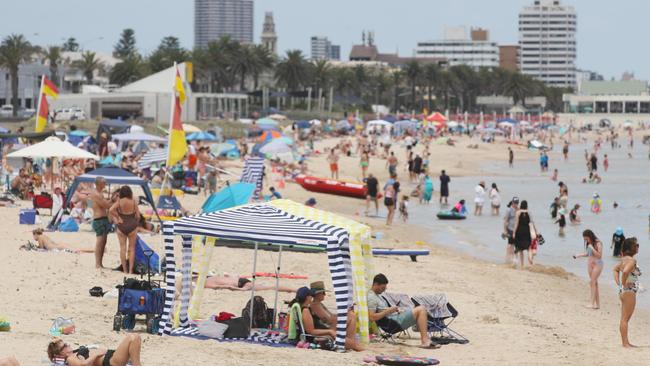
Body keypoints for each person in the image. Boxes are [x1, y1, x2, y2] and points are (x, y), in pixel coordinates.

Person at [367, 274, 435, 348]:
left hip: (393, 319)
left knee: (420, 309)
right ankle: (425, 340)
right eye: (383, 287)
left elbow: (381, 310)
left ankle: (425, 338)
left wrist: (393, 310)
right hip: (391, 324)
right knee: (421, 309)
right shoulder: (372, 298)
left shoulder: (377, 295)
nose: (385, 289)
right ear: (376, 284)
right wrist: (389, 311)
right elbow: (372, 317)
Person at [309, 281, 364, 351]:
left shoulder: (318, 304)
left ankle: (351, 341)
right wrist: (344, 313)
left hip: (329, 329)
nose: (325, 295)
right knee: (351, 315)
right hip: (327, 331)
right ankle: (352, 343)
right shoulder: (315, 305)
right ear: (317, 294)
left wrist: (344, 312)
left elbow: (332, 317)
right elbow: (330, 320)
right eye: (323, 292)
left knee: (351, 315)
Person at [47, 334, 142, 366]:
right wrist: (96, 354)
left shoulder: (74, 354)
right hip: (110, 361)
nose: (68, 345)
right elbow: (82, 365)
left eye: (66, 343)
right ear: (60, 354)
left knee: (134, 339)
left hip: (111, 357)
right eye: (64, 346)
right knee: (133, 338)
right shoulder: (69, 358)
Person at [613, 237, 641, 348]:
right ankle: (625, 343)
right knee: (625, 318)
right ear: (631, 248)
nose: (638, 247)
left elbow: (615, 269)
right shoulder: (632, 260)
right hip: (629, 291)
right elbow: (624, 272)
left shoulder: (624, 260)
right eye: (636, 245)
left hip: (624, 291)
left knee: (624, 318)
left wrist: (619, 284)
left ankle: (626, 342)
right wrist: (624, 283)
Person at [109, 186, 141, 274]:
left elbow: (111, 210)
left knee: (122, 248)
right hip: (132, 225)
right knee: (131, 248)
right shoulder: (134, 201)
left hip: (122, 225)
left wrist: (118, 217)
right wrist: (135, 222)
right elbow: (138, 216)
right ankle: (130, 270)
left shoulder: (119, 201)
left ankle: (125, 270)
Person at [82, 177, 111, 269]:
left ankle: (100, 263)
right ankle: (97, 264)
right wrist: (113, 201)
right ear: (99, 183)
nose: (105, 184)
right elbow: (105, 205)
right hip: (99, 219)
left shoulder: (99, 193)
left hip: (103, 218)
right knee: (100, 242)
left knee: (103, 242)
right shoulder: (95, 194)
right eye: (104, 182)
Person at [572, 229, 604, 310]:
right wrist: (578, 255)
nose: (585, 240)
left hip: (598, 264)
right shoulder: (589, 243)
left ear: (590, 236)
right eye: (584, 239)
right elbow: (588, 254)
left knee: (592, 282)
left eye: (586, 239)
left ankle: (591, 304)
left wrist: (592, 248)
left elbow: (599, 256)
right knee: (595, 283)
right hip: (590, 264)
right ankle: (597, 305)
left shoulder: (598, 243)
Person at [204, 274, 296, 293]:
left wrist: (238, 289)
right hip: (240, 280)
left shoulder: (206, 283)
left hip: (241, 284)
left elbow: (225, 286)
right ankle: (292, 289)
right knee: (267, 287)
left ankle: (293, 290)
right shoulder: (211, 277)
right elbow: (227, 276)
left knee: (271, 288)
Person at [513, 200, 533, 268]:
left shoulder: (518, 212)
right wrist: (536, 231)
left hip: (519, 231)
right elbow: (532, 223)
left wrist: (514, 233)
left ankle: (522, 265)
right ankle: (530, 262)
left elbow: (516, 224)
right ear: (527, 205)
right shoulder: (529, 213)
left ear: (521, 205)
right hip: (527, 231)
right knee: (529, 248)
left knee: (520, 249)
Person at [503, 197, 519, 264]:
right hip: (510, 229)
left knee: (516, 245)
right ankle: (507, 258)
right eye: (515, 202)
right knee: (510, 244)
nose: (516, 204)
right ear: (512, 202)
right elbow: (505, 221)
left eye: (517, 203)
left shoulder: (518, 210)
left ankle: (514, 259)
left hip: (517, 230)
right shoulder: (509, 210)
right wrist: (505, 230)